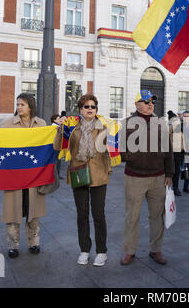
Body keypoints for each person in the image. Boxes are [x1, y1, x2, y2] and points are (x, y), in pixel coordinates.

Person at [54, 95, 111, 266]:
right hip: (79, 172)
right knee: (82, 214)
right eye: (86, 106)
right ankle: (84, 249)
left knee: (99, 215)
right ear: (80, 109)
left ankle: (101, 251)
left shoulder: (104, 127)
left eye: (93, 107)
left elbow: (114, 148)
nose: (90, 109)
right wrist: (60, 129)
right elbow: (58, 147)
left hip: (99, 174)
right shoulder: (72, 128)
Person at [120, 90, 173, 266]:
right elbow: (122, 151)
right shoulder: (127, 123)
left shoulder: (161, 124)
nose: (151, 104)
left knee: (157, 216)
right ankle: (129, 251)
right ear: (137, 105)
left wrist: (170, 173)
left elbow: (169, 151)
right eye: (146, 101)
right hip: (134, 177)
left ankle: (156, 250)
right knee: (132, 216)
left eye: (152, 101)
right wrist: (134, 157)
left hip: (158, 178)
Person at [1, 93, 47, 258]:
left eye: (22, 104)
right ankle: (13, 245)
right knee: (12, 213)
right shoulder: (7, 124)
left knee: (33, 212)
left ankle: (34, 243)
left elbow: (48, 147)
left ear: (30, 106)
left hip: (35, 177)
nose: (19, 107)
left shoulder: (41, 124)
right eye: (18, 104)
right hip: (14, 176)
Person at [172, 110, 189, 196]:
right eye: (184, 116)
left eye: (188, 116)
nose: (186, 118)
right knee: (177, 170)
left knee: (187, 170)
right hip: (179, 151)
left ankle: (186, 187)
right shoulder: (178, 126)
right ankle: (175, 188)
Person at [50, 114, 64, 180]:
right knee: (56, 161)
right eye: (58, 118)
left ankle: (57, 175)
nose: (60, 120)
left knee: (58, 161)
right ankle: (55, 175)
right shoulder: (54, 126)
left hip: (58, 145)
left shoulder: (58, 126)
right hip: (55, 146)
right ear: (54, 120)